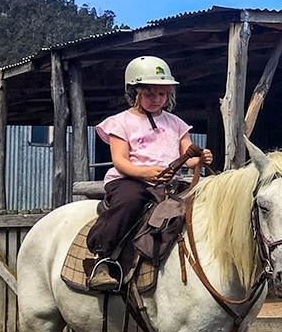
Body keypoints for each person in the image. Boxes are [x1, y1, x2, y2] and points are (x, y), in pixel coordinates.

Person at [85, 55, 212, 290]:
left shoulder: (176, 123)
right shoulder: (120, 122)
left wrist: (200, 159)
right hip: (130, 181)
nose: (157, 99)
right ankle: (102, 259)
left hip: (170, 183)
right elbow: (120, 161)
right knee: (129, 202)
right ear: (134, 93)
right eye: (150, 94)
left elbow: (189, 155)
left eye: (162, 94)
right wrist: (145, 174)